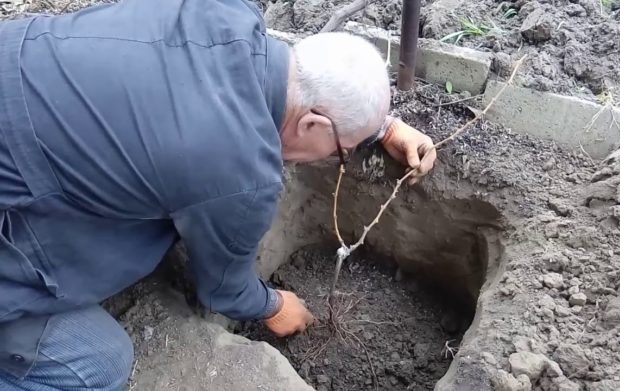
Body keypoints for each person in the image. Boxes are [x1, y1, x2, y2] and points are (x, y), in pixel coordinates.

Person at [0, 0, 437, 388]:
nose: (337, 158)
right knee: (99, 364)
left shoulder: (227, 10)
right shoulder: (241, 177)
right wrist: (273, 305)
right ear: (313, 126)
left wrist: (380, 126)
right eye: (343, 150)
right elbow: (223, 291)